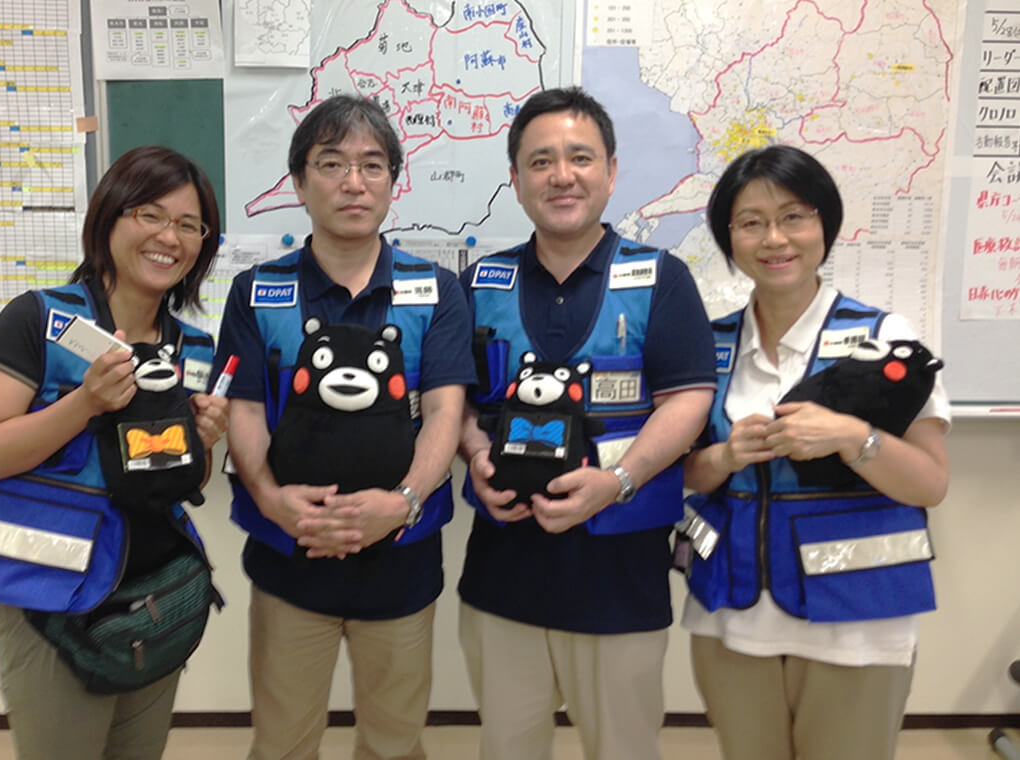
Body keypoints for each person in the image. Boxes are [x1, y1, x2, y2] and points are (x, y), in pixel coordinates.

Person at [457, 87, 717, 760]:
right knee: (507, 746)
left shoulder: (661, 279)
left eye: (580, 157)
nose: (561, 175)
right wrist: (474, 456)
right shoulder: (480, 282)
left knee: (624, 747)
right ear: (515, 180)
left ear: (610, 171)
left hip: (619, 575)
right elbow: (451, 399)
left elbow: (688, 401)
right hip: (502, 571)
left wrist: (620, 479)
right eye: (540, 161)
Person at [216, 94, 473, 760]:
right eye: (331, 164)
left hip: (403, 556)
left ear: (393, 180)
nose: (352, 182)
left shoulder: (438, 291)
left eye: (371, 164)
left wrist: (403, 503)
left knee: (394, 739)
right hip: (289, 554)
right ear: (299, 183)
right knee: (283, 738)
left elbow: (446, 409)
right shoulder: (256, 292)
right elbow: (242, 408)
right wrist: (273, 500)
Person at [0, 145, 228, 760]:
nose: (169, 237)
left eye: (189, 225)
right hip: (51, 602)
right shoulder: (37, 320)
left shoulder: (194, 346)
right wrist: (83, 404)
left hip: (157, 598)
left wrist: (205, 443)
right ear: (109, 219)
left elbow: (183, 482)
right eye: (150, 215)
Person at [680, 144, 950, 760]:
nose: (775, 239)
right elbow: (684, 472)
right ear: (730, 237)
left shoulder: (887, 340)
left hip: (856, 623)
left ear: (825, 224)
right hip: (731, 618)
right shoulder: (708, 344)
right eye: (751, 223)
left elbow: (931, 482)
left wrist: (851, 438)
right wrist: (725, 459)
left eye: (795, 217)